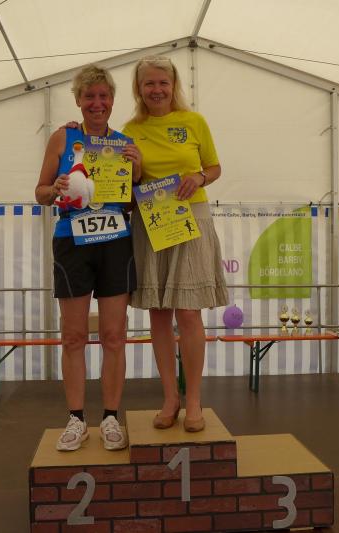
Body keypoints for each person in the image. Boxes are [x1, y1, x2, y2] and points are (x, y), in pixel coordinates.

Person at [34, 65, 142, 450]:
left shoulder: (124, 143)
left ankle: (111, 417)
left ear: (112, 100)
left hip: (115, 242)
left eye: (103, 96)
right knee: (74, 336)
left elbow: (133, 203)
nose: (97, 103)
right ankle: (76, 419)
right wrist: (55, 188)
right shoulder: (63, 137)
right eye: (89, 96)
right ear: (78, 100)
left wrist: (137, 169)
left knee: (114, 335)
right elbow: (40, 193)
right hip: (72, 242)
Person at [122, 55, 228, 432]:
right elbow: (125, 185)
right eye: (149, 83)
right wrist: (134, 171)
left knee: (188, 312)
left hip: (192, 219)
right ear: (139, 89)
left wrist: (199, 178)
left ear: (173, 86)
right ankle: (170, 398)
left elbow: (214, 167)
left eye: (162, 83)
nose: (156, 90)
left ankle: (194, 399)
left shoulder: (194, 121)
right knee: (158, 313)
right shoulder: (130, 130)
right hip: (152, 221)